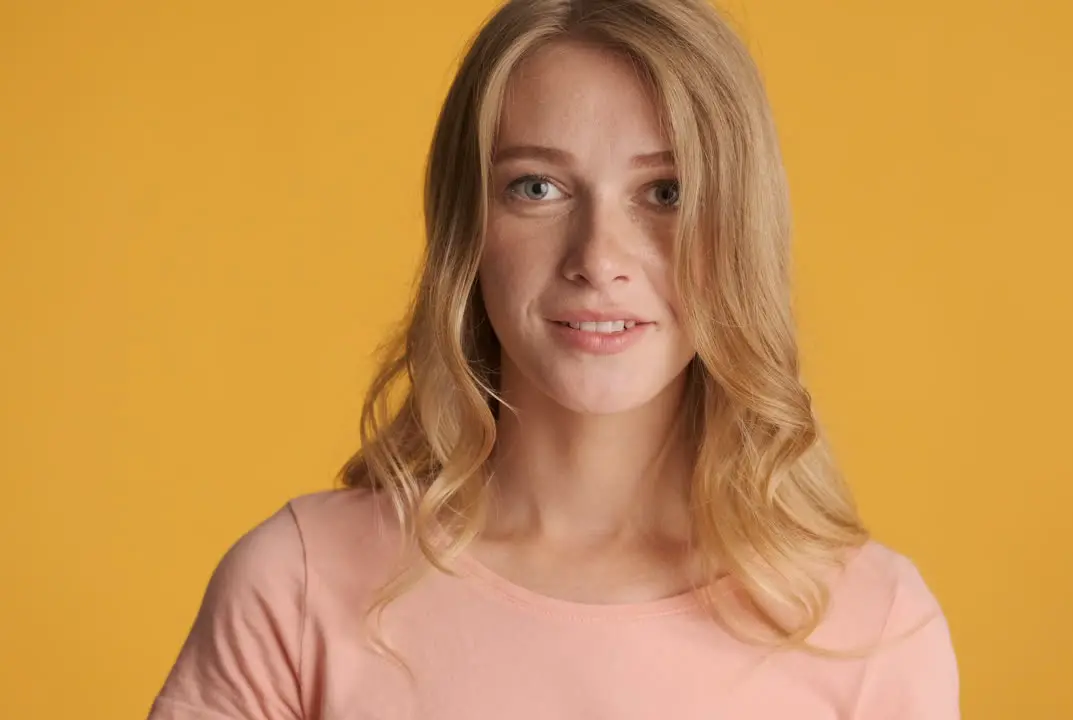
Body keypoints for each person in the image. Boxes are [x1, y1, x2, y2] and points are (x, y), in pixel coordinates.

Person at [148, 0, 960, 717]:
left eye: (666, 192)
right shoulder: (295, 587)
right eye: (537, 187)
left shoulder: (871, 627)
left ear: (741, 230)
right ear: (467, 230)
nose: (598, 258)